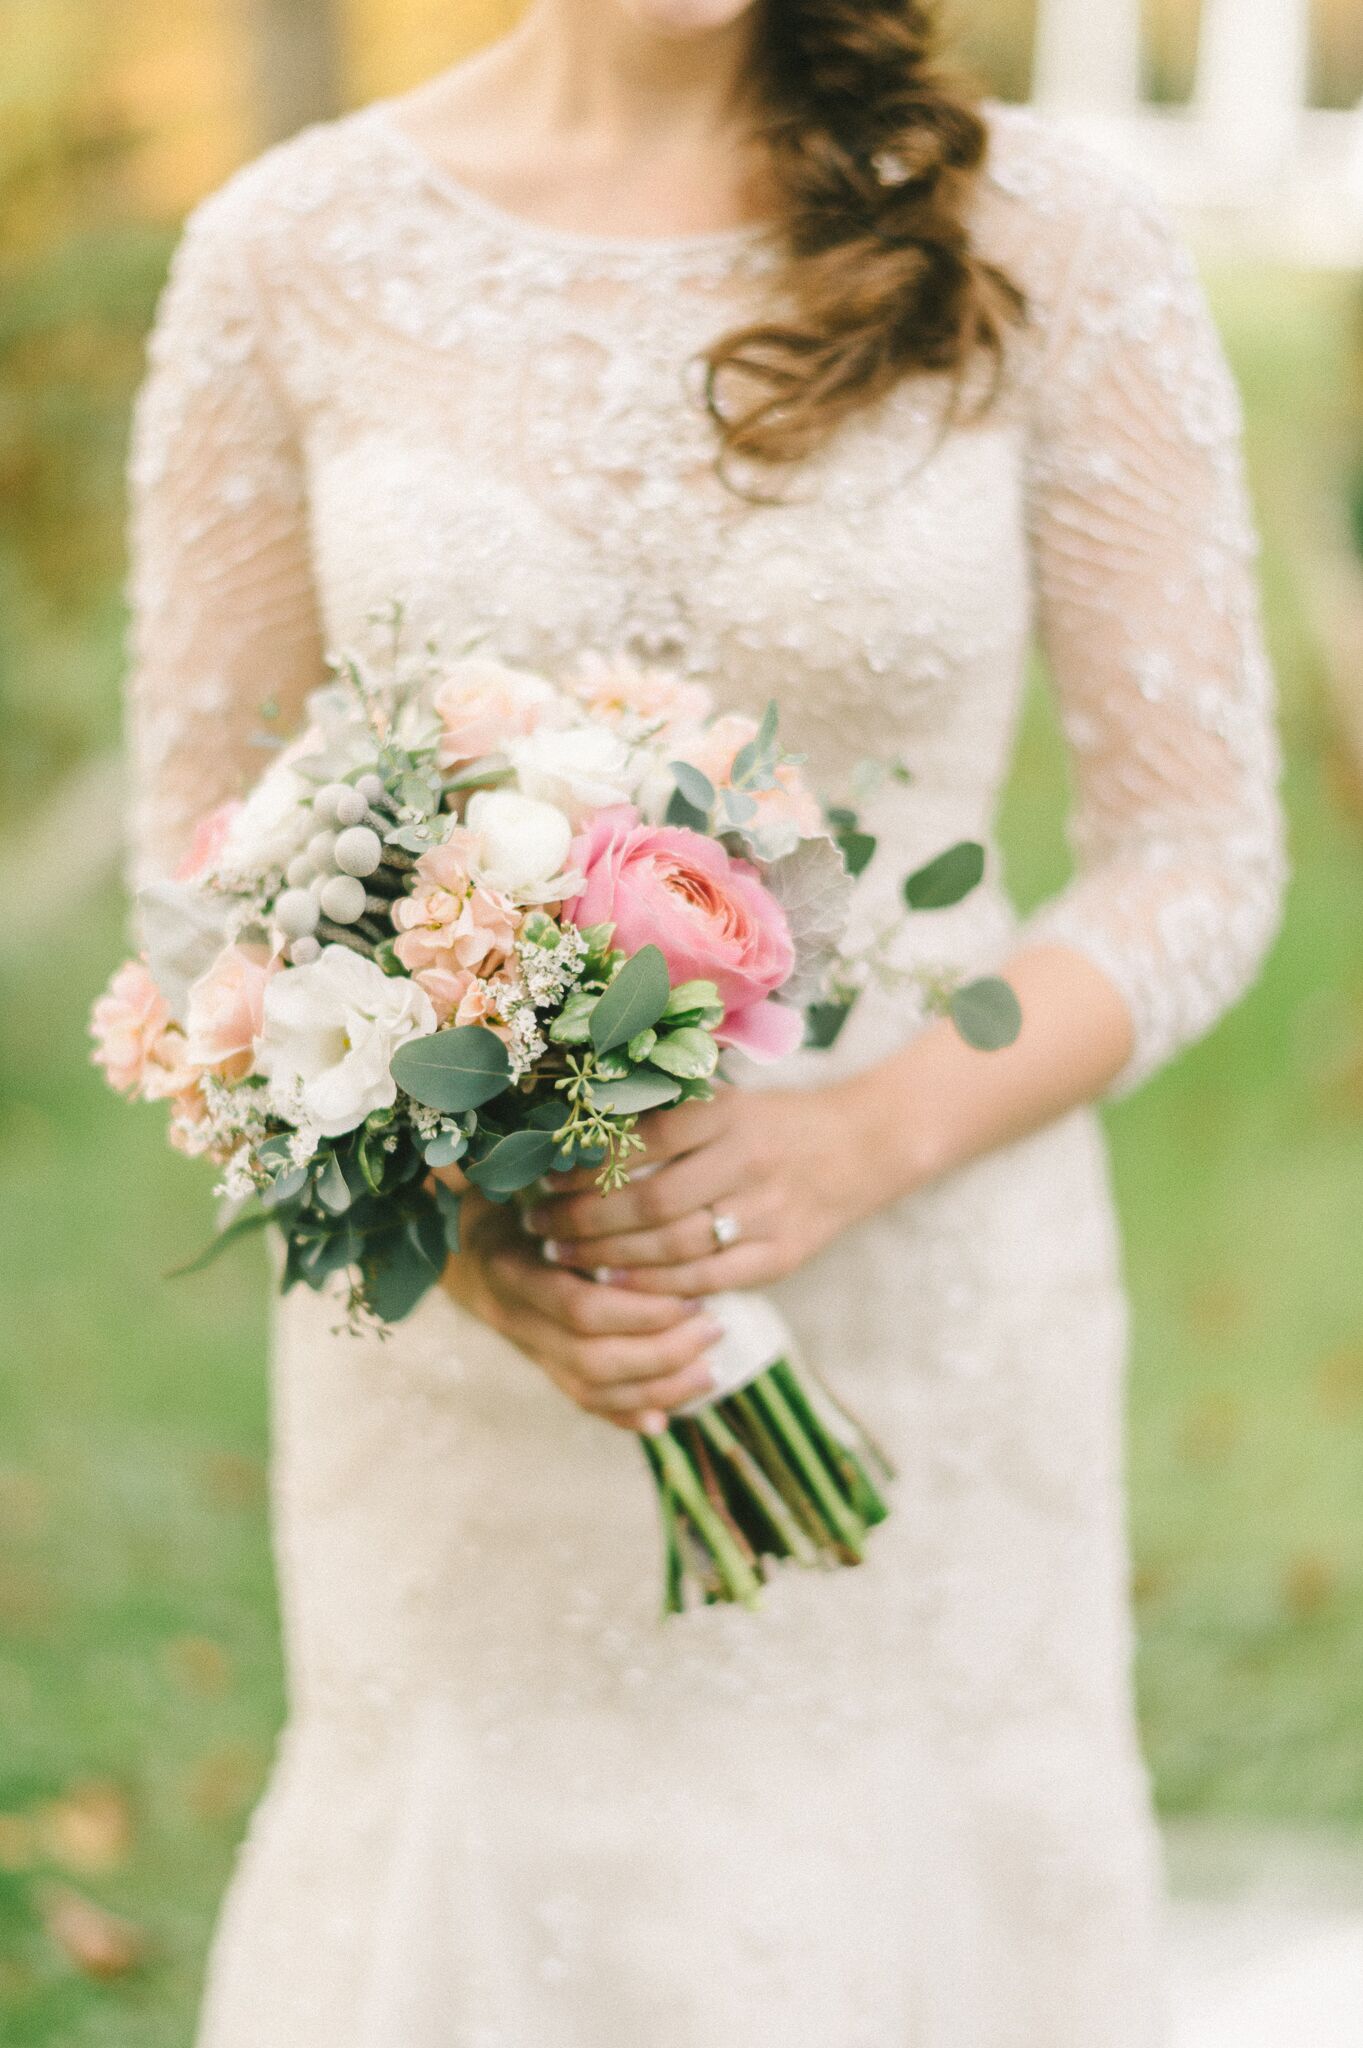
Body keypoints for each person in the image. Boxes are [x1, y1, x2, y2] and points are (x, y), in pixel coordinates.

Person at [124, 1, 1285, 2041]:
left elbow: (1194, 856)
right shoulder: (284, 250)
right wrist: (469, 1233)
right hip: (484, 1367)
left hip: (941, 1312)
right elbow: (195, 876)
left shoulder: (1057, 234)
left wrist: (871, 1133)